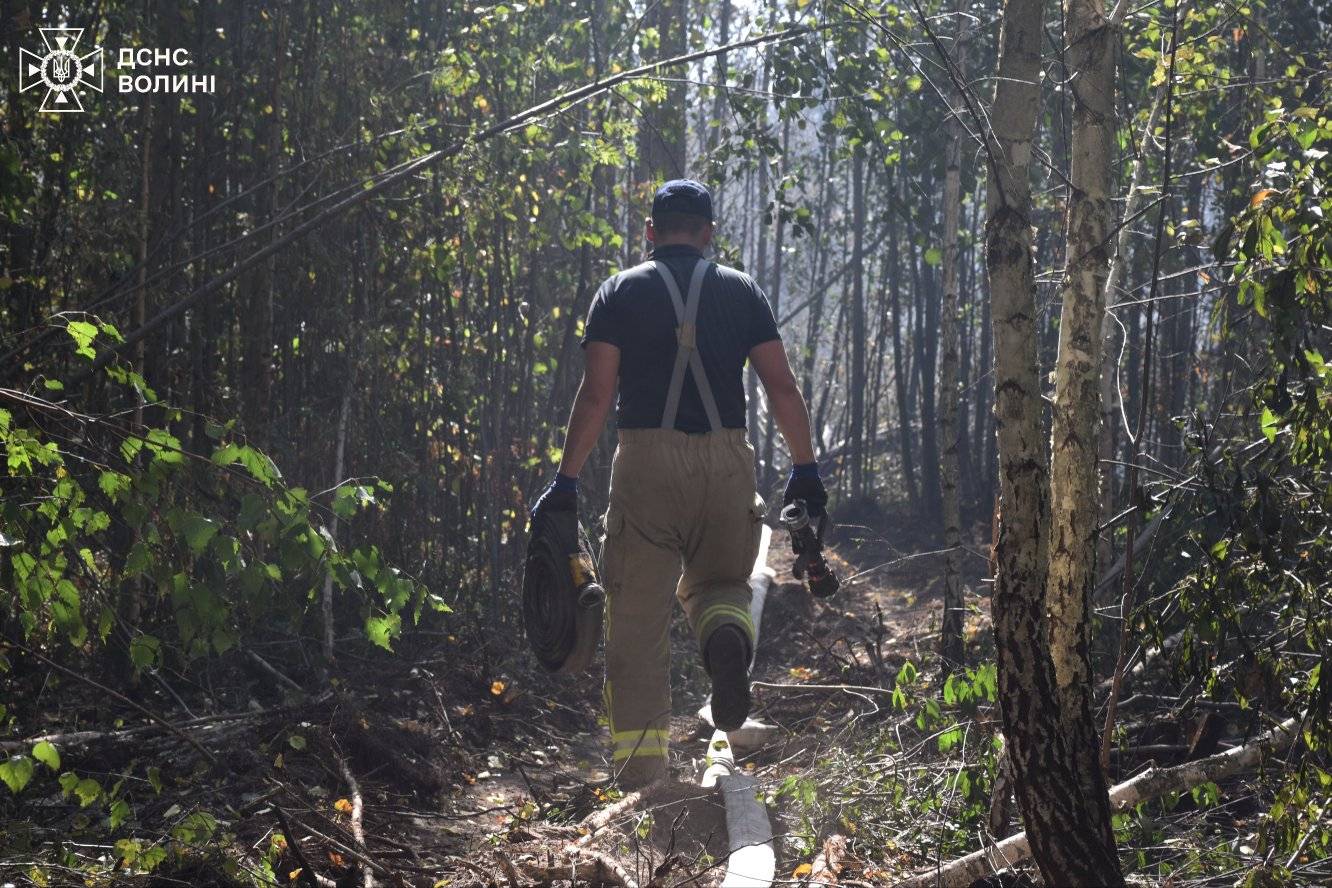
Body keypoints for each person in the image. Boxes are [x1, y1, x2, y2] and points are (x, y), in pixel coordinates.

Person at [530, 179, 827, 788]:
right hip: (727, 464)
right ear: (708, 233)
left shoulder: (618, 292)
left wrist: (566, 480)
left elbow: (596, 395)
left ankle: (644, 784)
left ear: (650, 231)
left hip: (645, 465)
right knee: (721, 587)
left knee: (636, 622)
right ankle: (723, 639)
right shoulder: (742, 291)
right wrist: (806, 470)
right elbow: (782, 386)